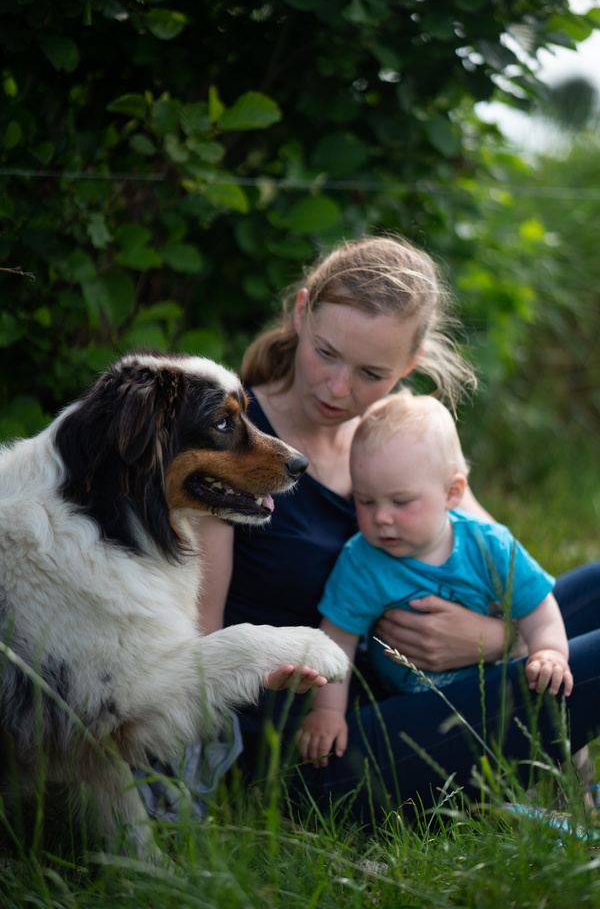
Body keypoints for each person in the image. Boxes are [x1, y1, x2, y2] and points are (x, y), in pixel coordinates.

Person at [195, 234, 600, 819]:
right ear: (302, 312)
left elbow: (500, 560)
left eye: (370, 372)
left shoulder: (399, 436)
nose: (339, 388)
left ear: (407, 367)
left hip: (434, 683)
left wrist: (496, 640)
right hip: (317, 744)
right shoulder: (232, 441)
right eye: (327, 353)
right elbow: (199, 639)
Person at [296, 391, 572, 768]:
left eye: (402, 501)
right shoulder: (361, 561)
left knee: (552, 697)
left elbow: (539, 612)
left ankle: (573, 796)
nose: (382, 518)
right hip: (409, 705)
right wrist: (327, 711)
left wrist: (549, 652)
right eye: (366, 501)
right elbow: (337, 641)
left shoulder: (489, 546)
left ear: (452, 493)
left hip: (492, 685)